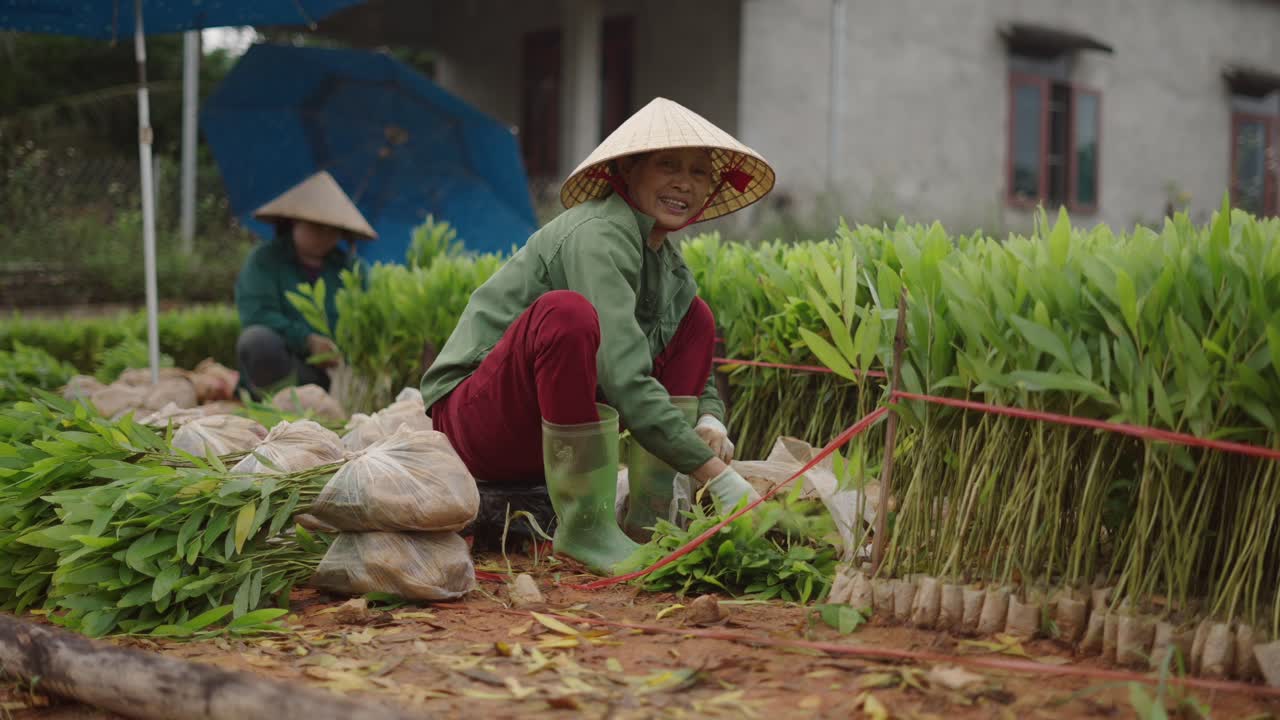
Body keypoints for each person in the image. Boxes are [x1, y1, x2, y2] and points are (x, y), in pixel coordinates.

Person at [421, 98, 777, 573]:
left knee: (698, 319)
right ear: (627, 171)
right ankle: (585, 528)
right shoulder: (597, 233)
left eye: (698, 172)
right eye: (668, 165)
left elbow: (692, 369)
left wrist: (712, 422)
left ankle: (651, 519)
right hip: (477, 423)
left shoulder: (670, 269)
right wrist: (718, 476)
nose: (684, 183)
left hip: (555, 438)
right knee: (565, 314)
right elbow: (625, 378)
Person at [234, 171, 376, 395]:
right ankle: (276, 400)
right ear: (293, 222)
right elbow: (257, 314)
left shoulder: (353, 268)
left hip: (339, 376)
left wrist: (340, 352)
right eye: (317, 226)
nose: (325, 234)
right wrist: (307, 341)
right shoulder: (265, 260)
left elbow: (371, 318)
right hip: (289, 368)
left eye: (333, 229)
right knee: (257, 341)